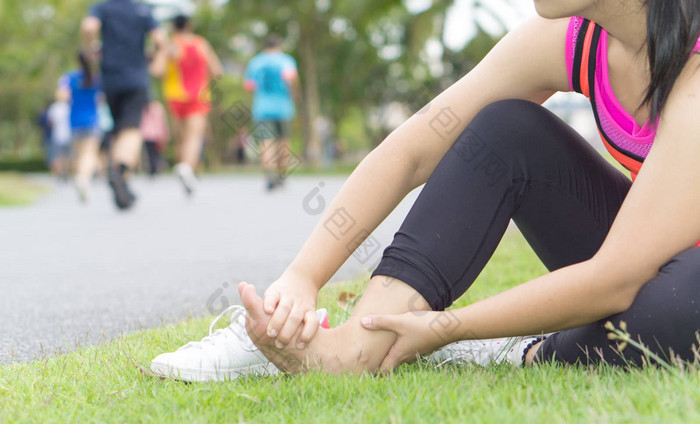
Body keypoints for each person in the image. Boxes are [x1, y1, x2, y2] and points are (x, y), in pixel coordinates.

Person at [153, 0, 700, 380]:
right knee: (504, 130)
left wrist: (445, 327)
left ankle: (518, 350)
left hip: (670, 280)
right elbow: (416, 147)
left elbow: (617, 277)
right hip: (649, 257)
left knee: (676, 307)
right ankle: (359, 342)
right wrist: (302, 276)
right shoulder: (573, 39)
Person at [81, 0, 167, 210]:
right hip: (135, 79)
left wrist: (89, 51)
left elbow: (89, 27)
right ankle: (119, 171)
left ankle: (124, 186)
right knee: (132, 128)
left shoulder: (103, 7)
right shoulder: (142, 9)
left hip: (110, 79)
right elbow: (160, 39)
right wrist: (157, 61)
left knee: (119, 129)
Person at [160, 14, 223, 195]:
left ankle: (183, 168)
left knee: (180, 136)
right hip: (198, 95)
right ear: (189, 25)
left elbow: (157, 69)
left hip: (175, 95)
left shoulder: (171, 44)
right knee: (194, 136)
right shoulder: (200, 43)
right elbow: (217, 71)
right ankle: (187, 168)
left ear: (173, 26)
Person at [243, 34, 299, 191]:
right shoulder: (286, 60)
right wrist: (294, 95)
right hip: (283, 107)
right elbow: (292, 81)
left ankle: (269, 174)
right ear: (279, 45)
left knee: (266, 142)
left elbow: (249, 85)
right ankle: (282, 174)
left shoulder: (256, 62)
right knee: (283, 142)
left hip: (262, 108)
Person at [58, 51, 102, 202]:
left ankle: (79, 177)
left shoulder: (69, 78)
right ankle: (83, 178)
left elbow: (62, 96)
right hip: (92, 120)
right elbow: (102, 99)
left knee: (78, 153)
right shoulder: (97, 78)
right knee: (89, 153)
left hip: (74, 121)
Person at [46, 89, 72, 180]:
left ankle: (58, 173)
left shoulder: (54, 107)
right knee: (67, 156)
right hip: (69, 135)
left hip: (57, 135)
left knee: (57, 155)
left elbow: (50, 122)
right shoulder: (69, 107)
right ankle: (66, 172)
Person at [140, 99, 170, 177]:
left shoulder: (145, 107)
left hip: (147, 134)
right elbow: (162, 122)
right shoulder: (158, 107)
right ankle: (155, 166)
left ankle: (153, 168)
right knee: (155, 153)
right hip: (156, 134)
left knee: (150, 153)